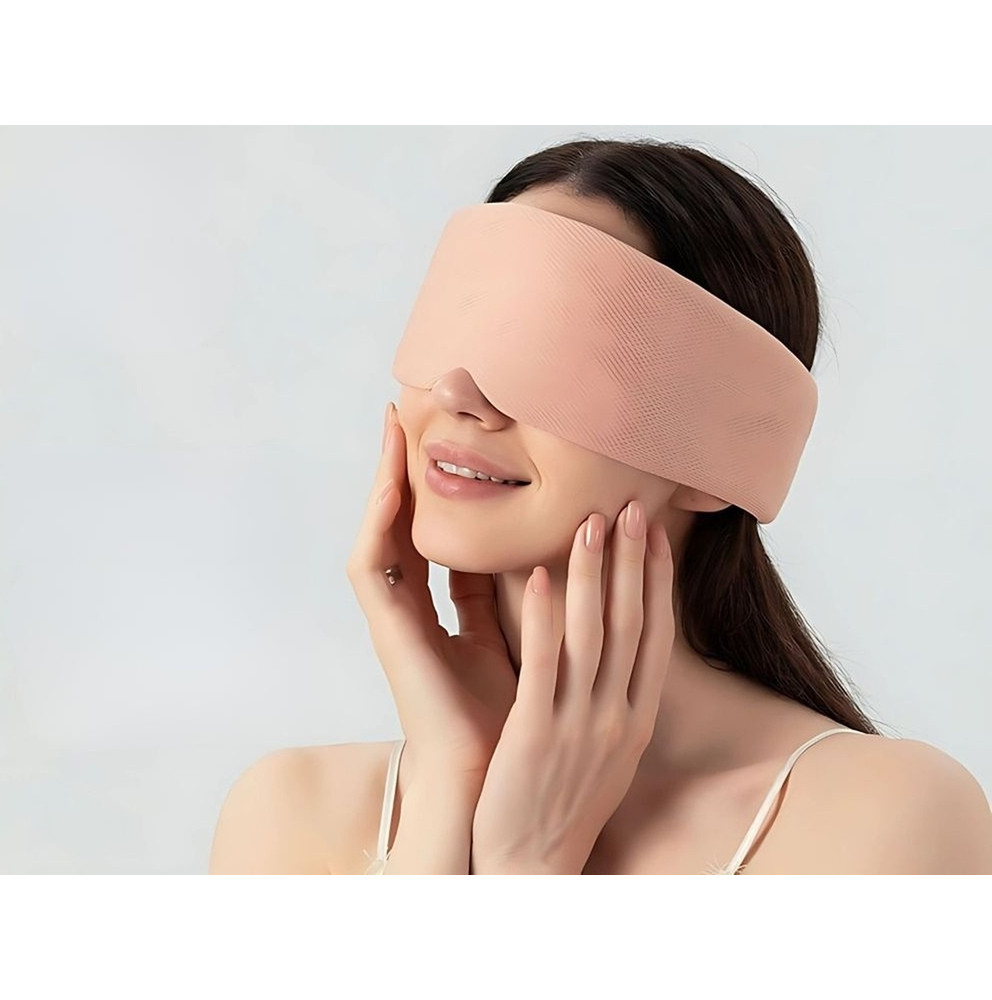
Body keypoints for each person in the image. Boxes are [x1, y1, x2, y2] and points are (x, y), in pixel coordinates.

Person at [209, 137, 992, 875]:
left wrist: (526, 863)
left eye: (554, 349)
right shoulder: (290, 814)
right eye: (460, 321)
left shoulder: (885, 820)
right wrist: (453, 788)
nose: (457, 394)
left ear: (720, 458)